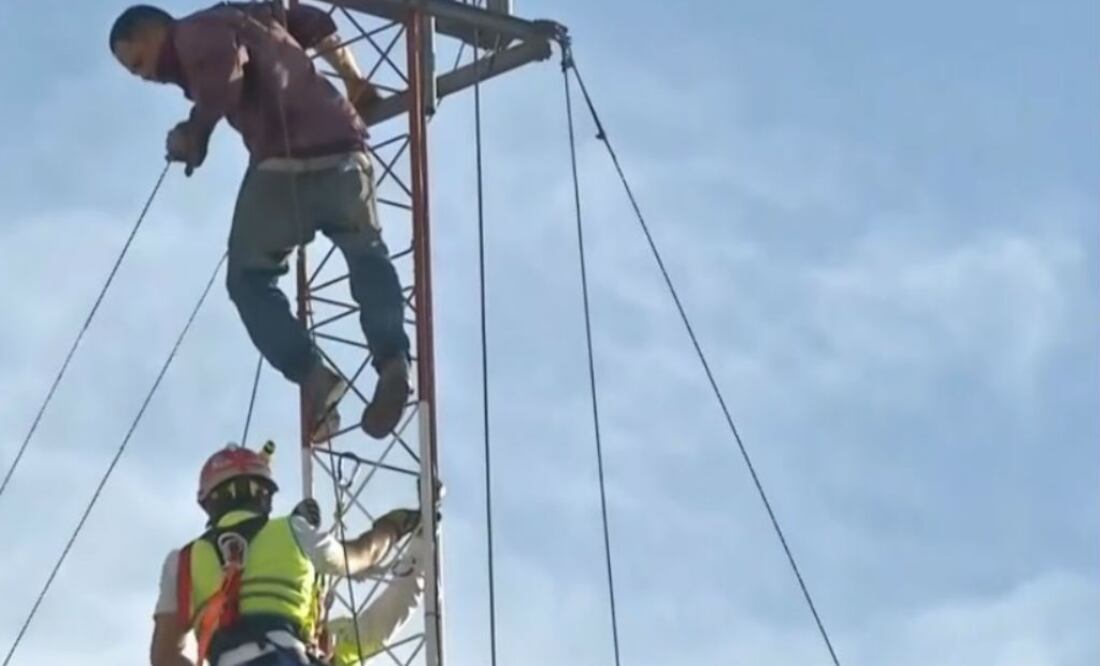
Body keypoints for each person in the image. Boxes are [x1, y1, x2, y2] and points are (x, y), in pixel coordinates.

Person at [109, 3, 411, 442]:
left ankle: (312, 374)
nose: (143, 76)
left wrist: (195, 134)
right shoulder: (251, 13)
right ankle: (393, 360)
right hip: (346, 151)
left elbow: (224, 78)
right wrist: (353, 79)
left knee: (248, 279)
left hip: (284, 167)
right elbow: (318, 25)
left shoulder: (191, 35)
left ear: (156, 31)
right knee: (368, 257)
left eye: (138, 61)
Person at [151, 442, 425, 666]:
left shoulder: (182, 561)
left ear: (209, 501)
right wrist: (397, 526)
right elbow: (363, 556)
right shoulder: (294, 531)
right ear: (264, 496)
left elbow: (164, 657)